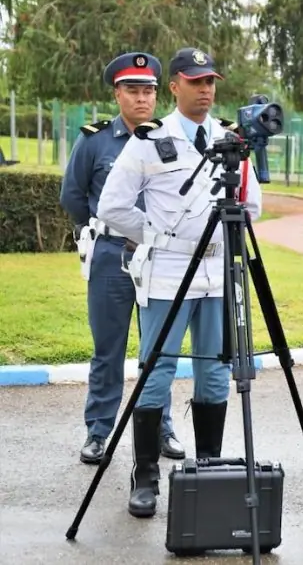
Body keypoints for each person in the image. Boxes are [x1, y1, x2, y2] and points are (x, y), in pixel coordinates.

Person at [97, 47, 262, 518]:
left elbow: (254, 206)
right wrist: (156, 235)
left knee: (214, 371)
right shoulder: (151, 139)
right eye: (195, 81)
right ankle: (145, 475)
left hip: (217, 272)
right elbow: (112, 206)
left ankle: (208, 466)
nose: (206, 89)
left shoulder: (229, 138)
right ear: (174, 87)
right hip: (169, 272)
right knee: (157, 371)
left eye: (211, 81)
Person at [59, 52, 185, 465]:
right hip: (113, 254)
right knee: (108, 348)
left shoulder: (169, 139)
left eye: (149, 90)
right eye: (133, 90)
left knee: (158, 349)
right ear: (117, 93)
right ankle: (99, 431)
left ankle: (161, 426)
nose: (143, 98)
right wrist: (103, 231)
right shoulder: (94, 140)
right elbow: (73, 197)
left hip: (160, 256)